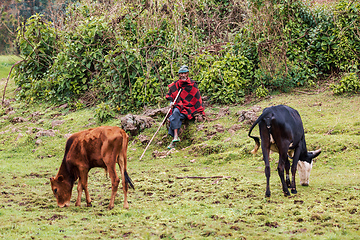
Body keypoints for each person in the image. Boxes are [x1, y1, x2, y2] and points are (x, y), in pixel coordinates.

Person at [165, 65, 205, 149]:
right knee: (175, 112)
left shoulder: (193, 84)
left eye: (185, 73)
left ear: (187, 74)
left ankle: (173, 141)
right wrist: (171, 103)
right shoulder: (175, 85)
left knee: (174, 117)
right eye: (181, 74)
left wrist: (199, 111)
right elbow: (170, 97)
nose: (183, 75)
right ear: (179, 75)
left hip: (189, 109)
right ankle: (175, 136)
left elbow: (197, 99)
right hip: (179, 107)